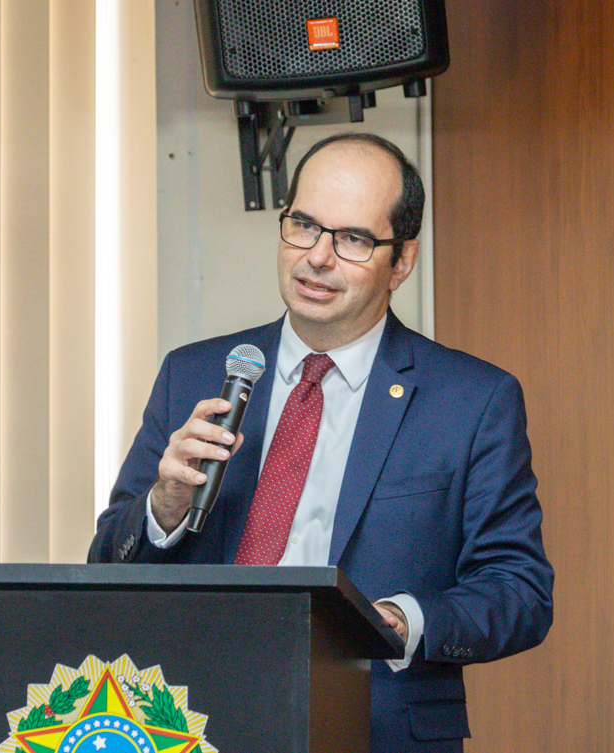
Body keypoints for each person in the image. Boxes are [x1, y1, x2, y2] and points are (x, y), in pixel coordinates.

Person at [88, 132, 553, 752]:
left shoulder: (471, 400)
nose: (317, 257)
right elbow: (106, 565)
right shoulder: (195, 374)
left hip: (374, 729)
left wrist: (397, 624)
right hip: (192, 723)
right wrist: (163, 507)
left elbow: (518, 589)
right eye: (303, 225)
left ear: (402, 260)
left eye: (353, 239)